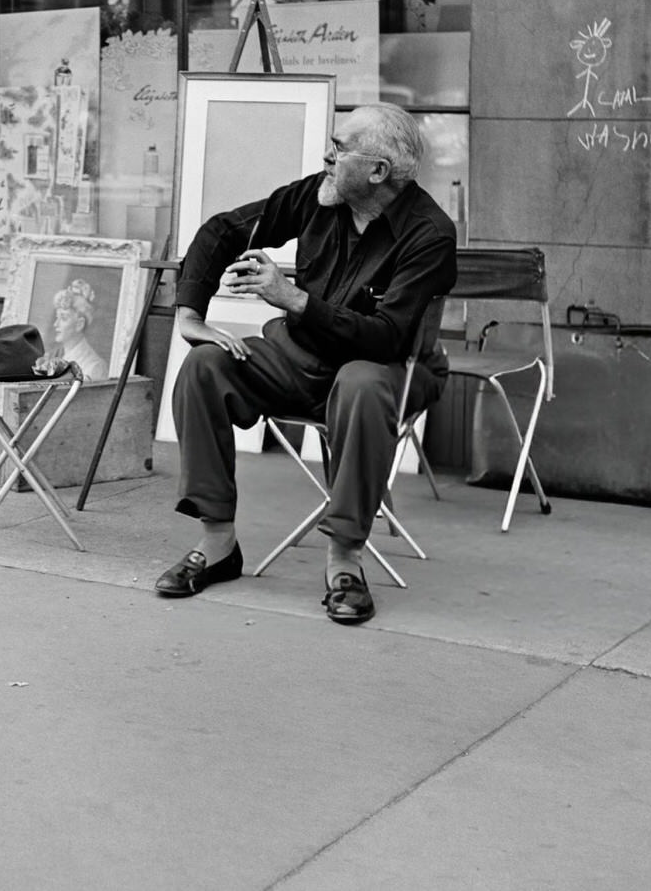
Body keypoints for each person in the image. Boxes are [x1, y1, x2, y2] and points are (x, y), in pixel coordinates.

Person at [154, 103, 456, 625]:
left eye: (339, 149)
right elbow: (222, 230)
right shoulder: (321, 195)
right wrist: (189, 315)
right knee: (205, 367)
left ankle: (345, 561)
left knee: (361, 382)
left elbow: (385, 338)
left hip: (389, 368)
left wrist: (293, 299)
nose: (326, 156)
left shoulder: (429, 233)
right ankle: (218, 542)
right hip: (300, 359)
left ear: (378, 171)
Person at [47, 279, 108, 380]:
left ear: (79, 324)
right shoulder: (55, 356)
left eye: (63, 318)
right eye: (57, 317)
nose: (55, 324)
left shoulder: (94, 366)